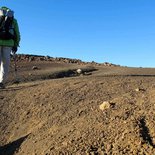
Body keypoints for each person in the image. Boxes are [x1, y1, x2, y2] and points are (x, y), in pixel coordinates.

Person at [0, 6, 20, 89]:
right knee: (5, 64)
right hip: (8, 44)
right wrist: (16, 44)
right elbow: (17, 34)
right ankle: (1, 82)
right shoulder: (13, 20)